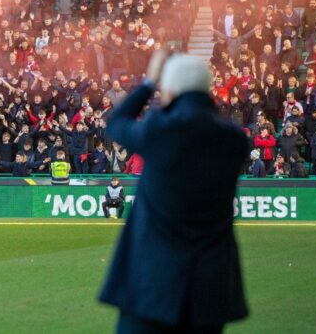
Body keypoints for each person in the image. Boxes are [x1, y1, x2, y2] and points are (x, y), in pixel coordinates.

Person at [100, 52, 249, 333]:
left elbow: (116, 123)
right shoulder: (234, 140)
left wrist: (148, 84)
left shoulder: (159, 129)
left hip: (152, 284)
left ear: (168, 90)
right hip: (210, 288)